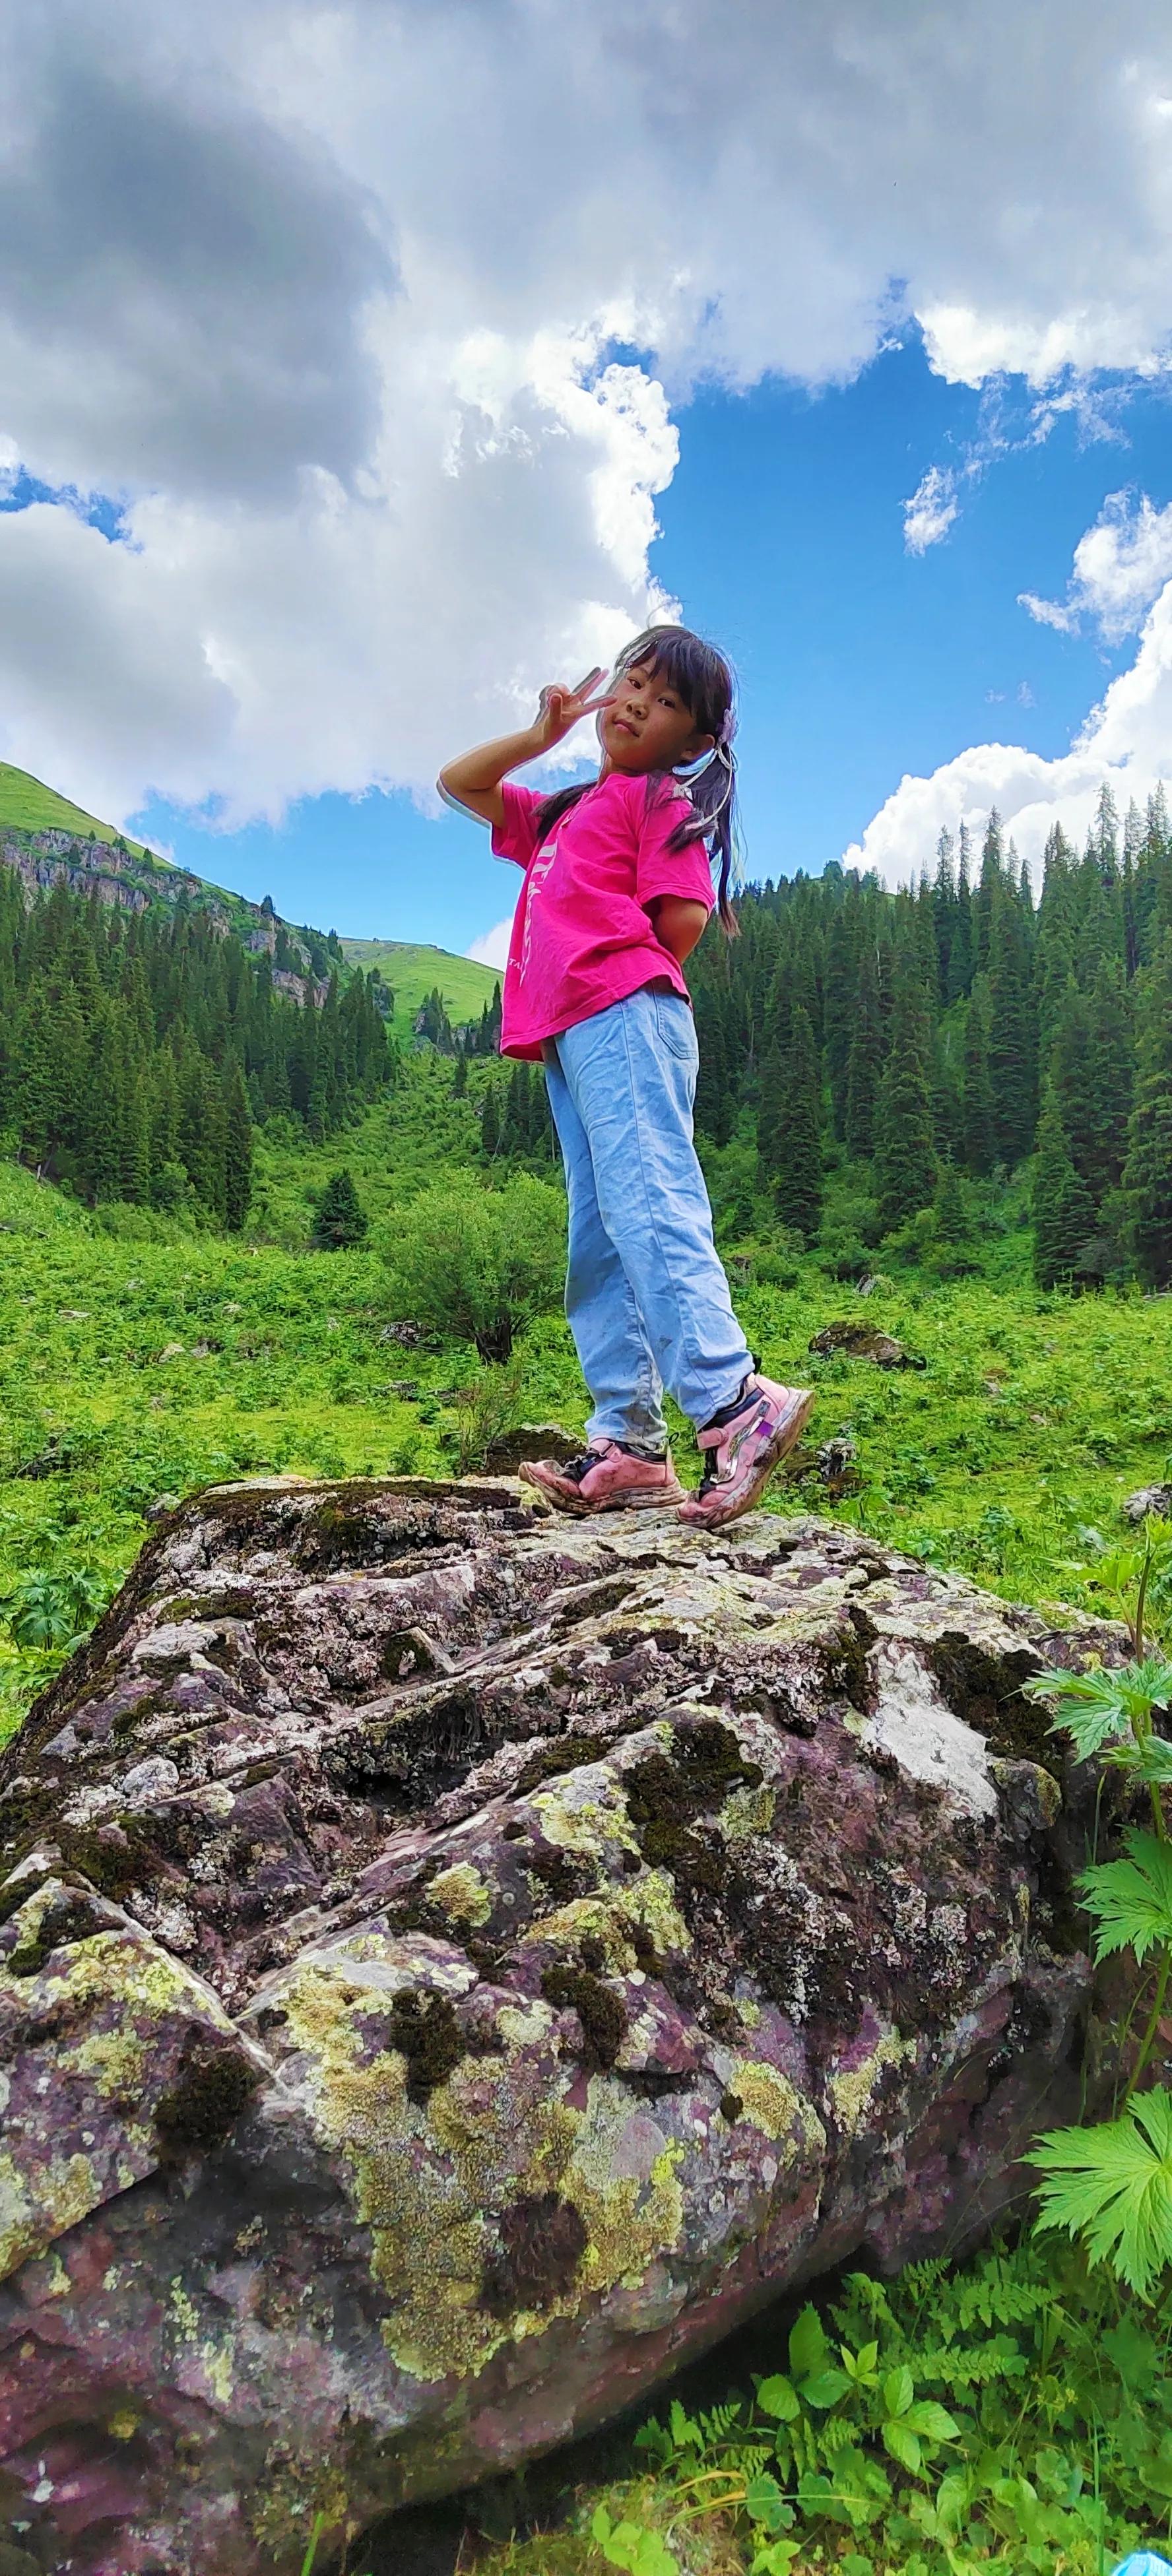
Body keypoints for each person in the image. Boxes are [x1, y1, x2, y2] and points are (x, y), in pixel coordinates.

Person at [438, 624, 814, 1529]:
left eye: (666, 699)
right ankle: (632, 1445)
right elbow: (460, 784)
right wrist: (542, 735)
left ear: (694, 740)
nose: (638, 703)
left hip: (624, 1012)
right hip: (571, 1031)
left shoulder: (656, 800)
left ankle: (736, 1402)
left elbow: (682, 919)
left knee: (649, 1203)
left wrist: (615, 973)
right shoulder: (566, 811)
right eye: (633, 681)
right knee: (599, 1236)